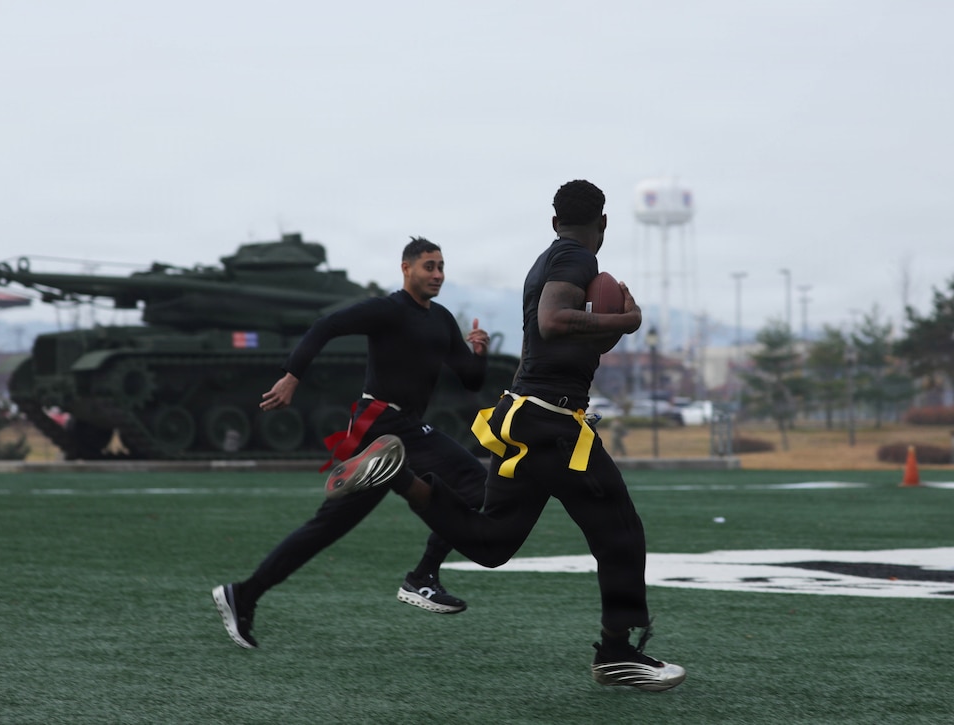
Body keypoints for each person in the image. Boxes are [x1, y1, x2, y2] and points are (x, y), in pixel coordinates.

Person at [323, 180, 686, 692]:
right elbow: (553, 321)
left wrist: (607, 329)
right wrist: (627, 318)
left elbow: (561, 342)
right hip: (552, 424)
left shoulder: (545, 261)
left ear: (554, 221)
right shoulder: (576, 258)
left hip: (527, 415)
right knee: (621, 533)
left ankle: (399, 476)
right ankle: (616, 654)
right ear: (603, 223)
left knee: (492, 542)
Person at [212, 237, 493, 649]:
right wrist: (292, 376)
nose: (437, 275)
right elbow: (325, 326)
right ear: (406, 269)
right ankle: (423, 576)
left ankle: (244, 594)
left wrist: (479, 352)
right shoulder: (387, 310)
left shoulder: (441, 319)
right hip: (380, 424)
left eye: (441, 267)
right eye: (429, 267)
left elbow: (471, 379)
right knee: (471, 480)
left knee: (329, 527)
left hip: (406, 426)